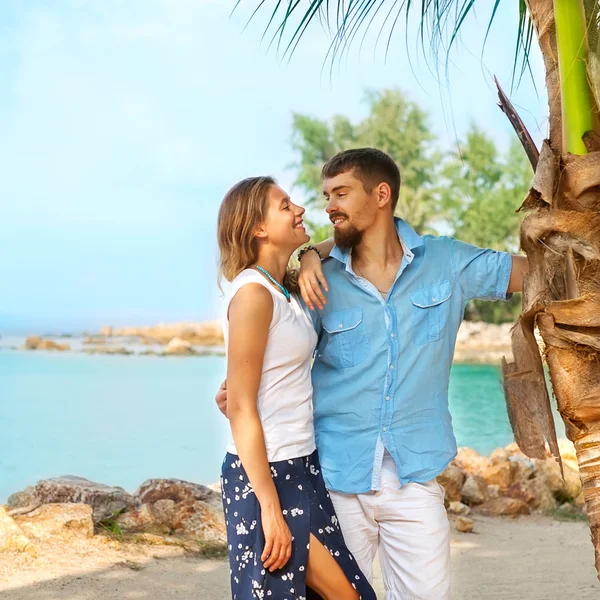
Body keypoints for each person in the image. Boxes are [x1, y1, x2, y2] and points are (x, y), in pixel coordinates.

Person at [217, 148, 528, 599]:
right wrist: (308, 256)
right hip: (333, 478)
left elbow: (535, 273)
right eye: (325, 195)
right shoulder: (316, 280)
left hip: (413, 477)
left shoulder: (446, 263)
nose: (326, 207)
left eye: (340, 193)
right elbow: (262, 359)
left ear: (381, 194)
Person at [216, 175, 376, 600]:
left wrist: (306, 255)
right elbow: (243, 408)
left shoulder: (280, 288)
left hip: (301, 466)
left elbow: (341, 240)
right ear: (257, 228)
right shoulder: (253, 294)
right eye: (285, 205)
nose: (300, 209)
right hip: (266, 477)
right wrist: (268, 506)